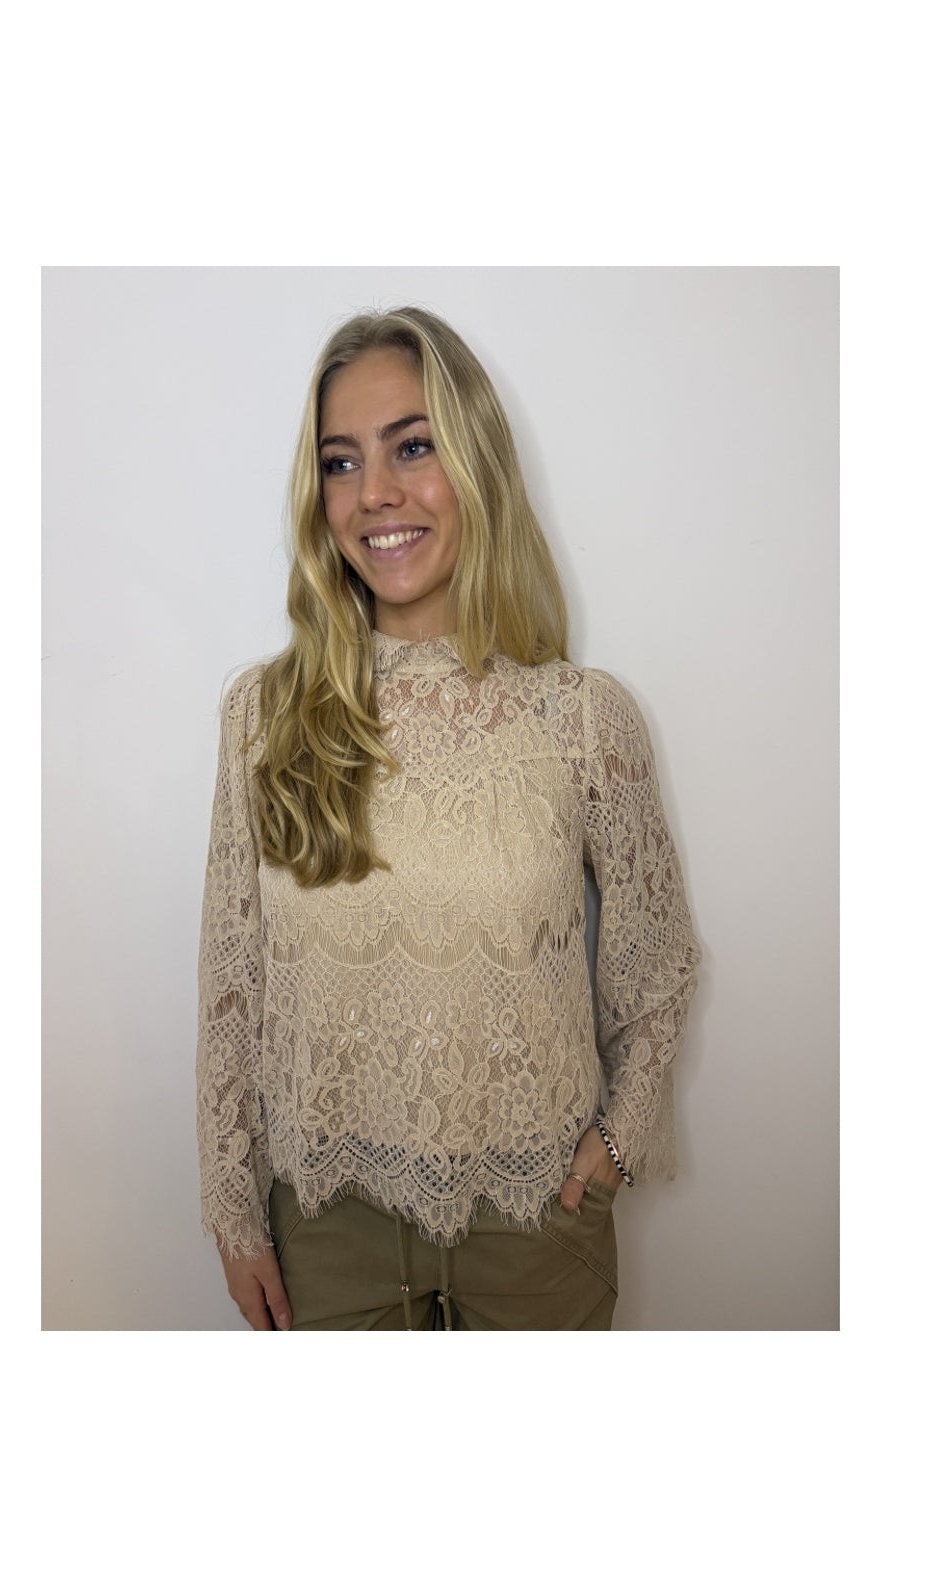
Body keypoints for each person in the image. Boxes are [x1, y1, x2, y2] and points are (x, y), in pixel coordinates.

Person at [196, 306, 700, 1331]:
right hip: (324, 1229)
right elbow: (232, 991)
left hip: (537, 1226)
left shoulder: (581, 719)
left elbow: (656, 966)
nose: (374, 492)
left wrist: (616, 1141)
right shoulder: (264, 715)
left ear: (476, 461)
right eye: (341, 462)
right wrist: (232, 1213)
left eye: (413, 446)